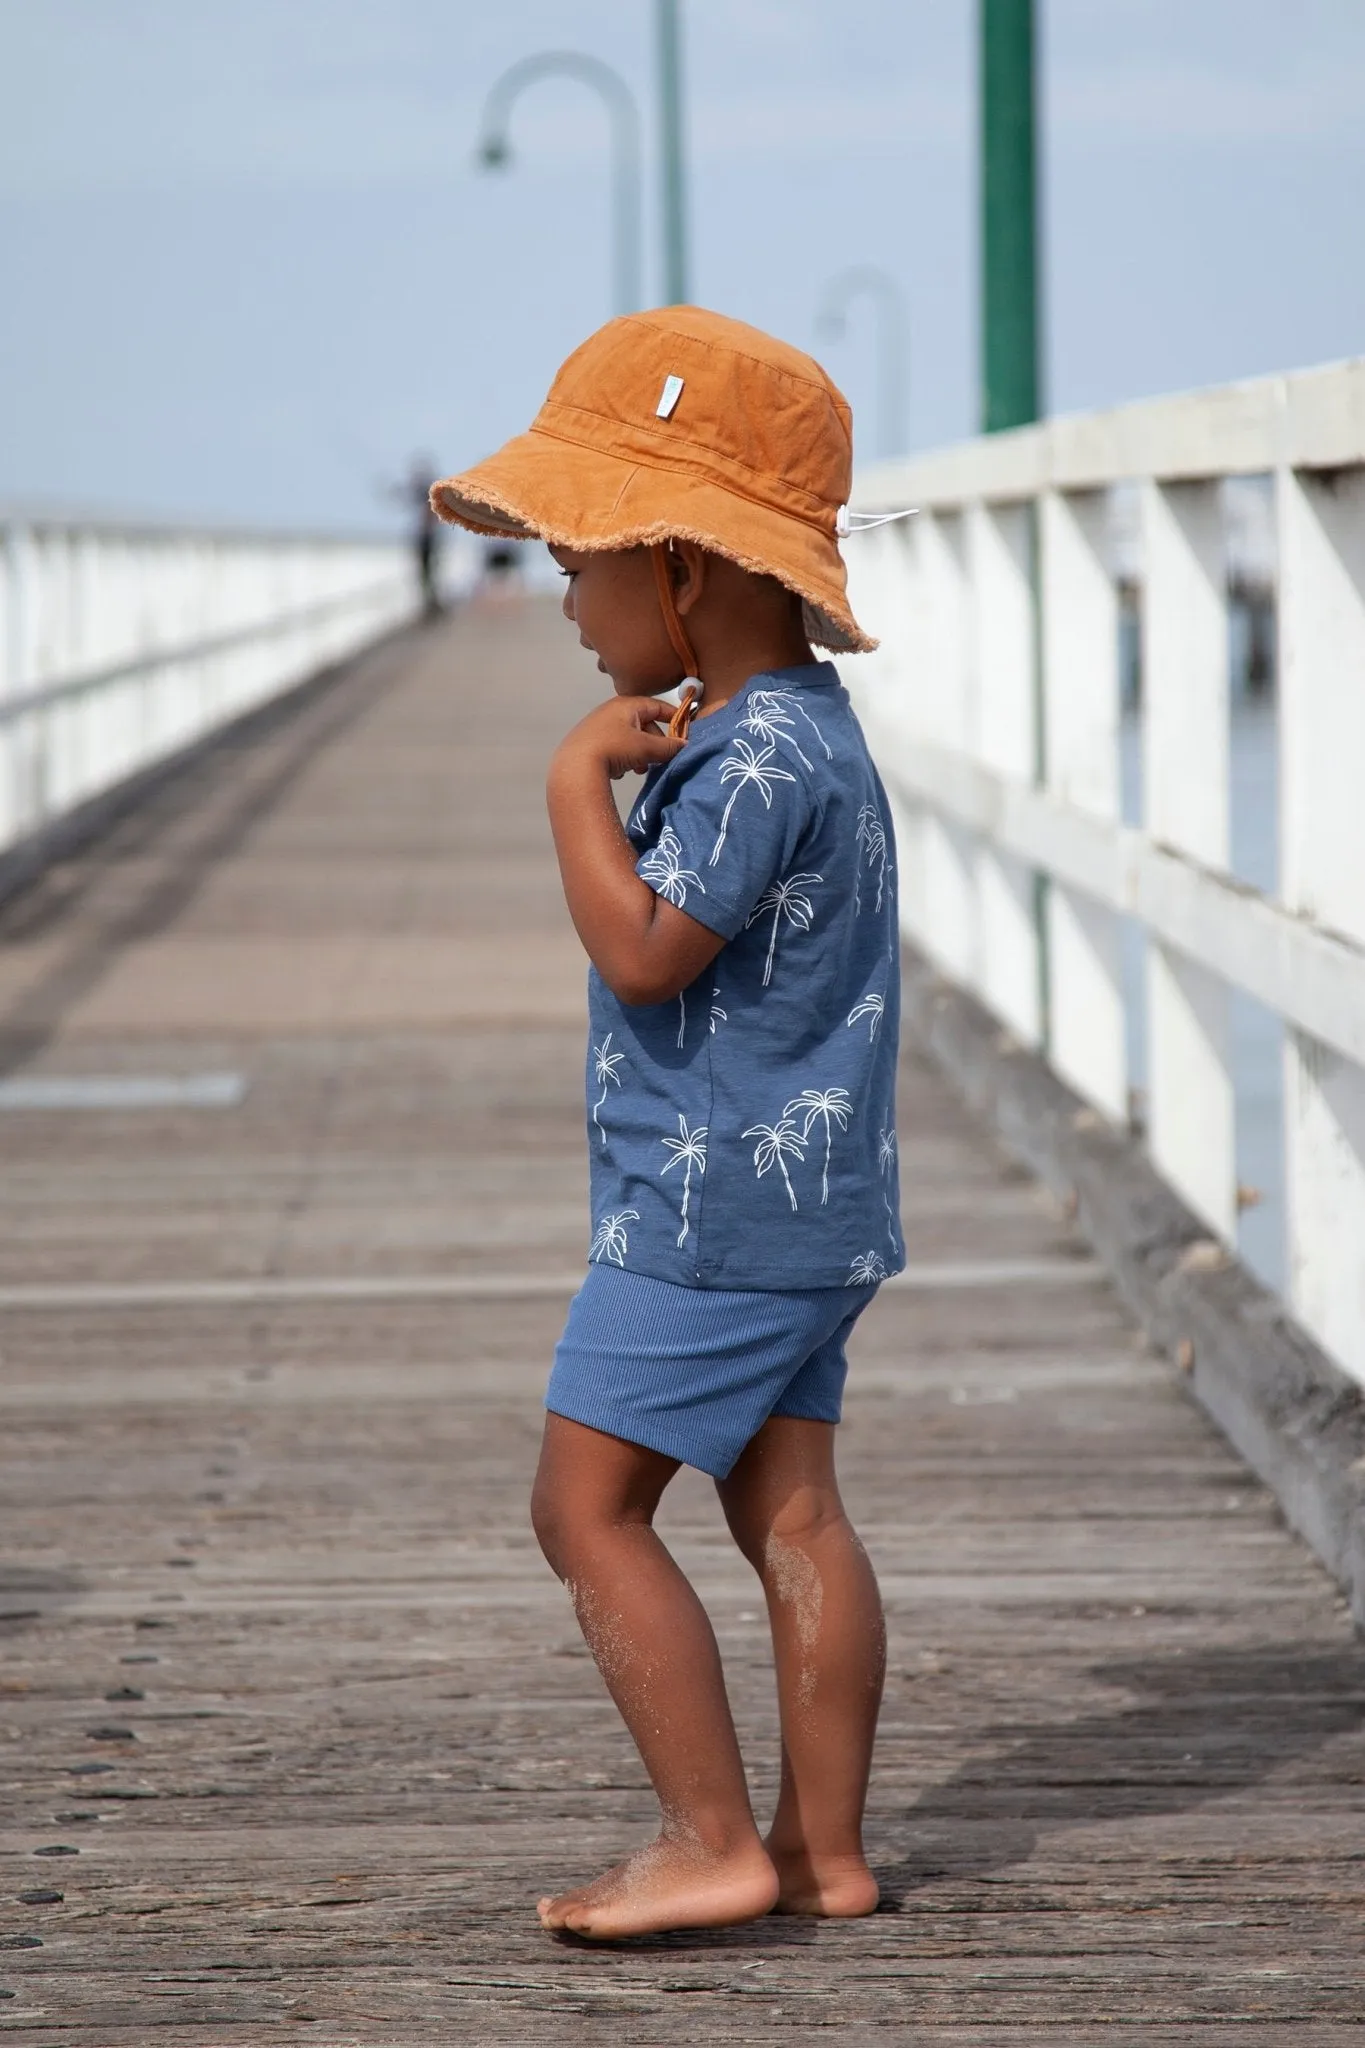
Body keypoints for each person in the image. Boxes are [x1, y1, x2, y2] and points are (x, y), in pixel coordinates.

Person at [429, 306, 904, 1940]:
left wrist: (575, 788)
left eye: (581, 562)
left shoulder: (744, 762)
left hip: (708, 1220)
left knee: (582, 1507)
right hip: (818, 1208)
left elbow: (645, 954)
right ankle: (826, 1850)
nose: (564, 601)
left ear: (686, 569)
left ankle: (711, 1840)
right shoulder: (817, 734)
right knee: (794, 1512)